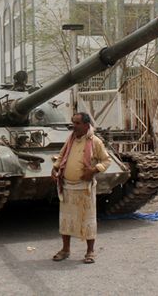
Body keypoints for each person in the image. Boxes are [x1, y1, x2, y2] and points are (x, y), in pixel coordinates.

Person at [51, 112, 111, 264]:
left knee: (87, 220)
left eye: (77, 123)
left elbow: (106, 160)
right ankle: (65, 249)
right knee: (66, 220)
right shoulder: (70, 139)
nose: (74, 126)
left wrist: (93, 170)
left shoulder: (95, 141)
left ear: (86, 125)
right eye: (73, 123)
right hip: (67, 187)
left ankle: (90, 251)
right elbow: (61, 154)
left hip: (84, 187)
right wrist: (55, 167)